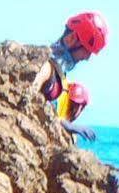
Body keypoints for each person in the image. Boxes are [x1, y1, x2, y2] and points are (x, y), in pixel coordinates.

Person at [37, 11, 105, 141]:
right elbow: (27, 103)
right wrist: (63, 123)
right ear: (72, 38)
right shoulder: (45, 67)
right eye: (87, 51)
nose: (86, 58)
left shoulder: (59, 74)